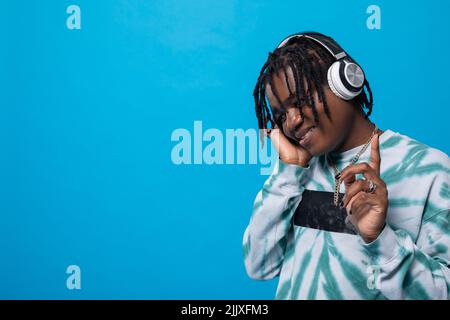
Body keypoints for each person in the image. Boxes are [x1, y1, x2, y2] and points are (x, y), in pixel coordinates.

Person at [242, 32, 450, 299]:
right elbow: (259, 266)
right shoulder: (296, 172)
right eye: (281, 114)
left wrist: (380, 238)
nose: (291, 122)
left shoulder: (429, 170)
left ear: (345, 82)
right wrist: (287, 172)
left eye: (301, 100)